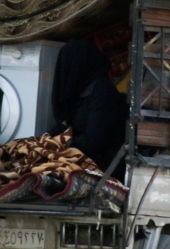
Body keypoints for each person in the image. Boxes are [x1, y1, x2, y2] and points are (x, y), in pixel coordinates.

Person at [50, 40, 127, 181]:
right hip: (86, 158)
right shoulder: (79, 92)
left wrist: (66, 144)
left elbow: (94, 140)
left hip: (106, 167)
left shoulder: (101, 90)